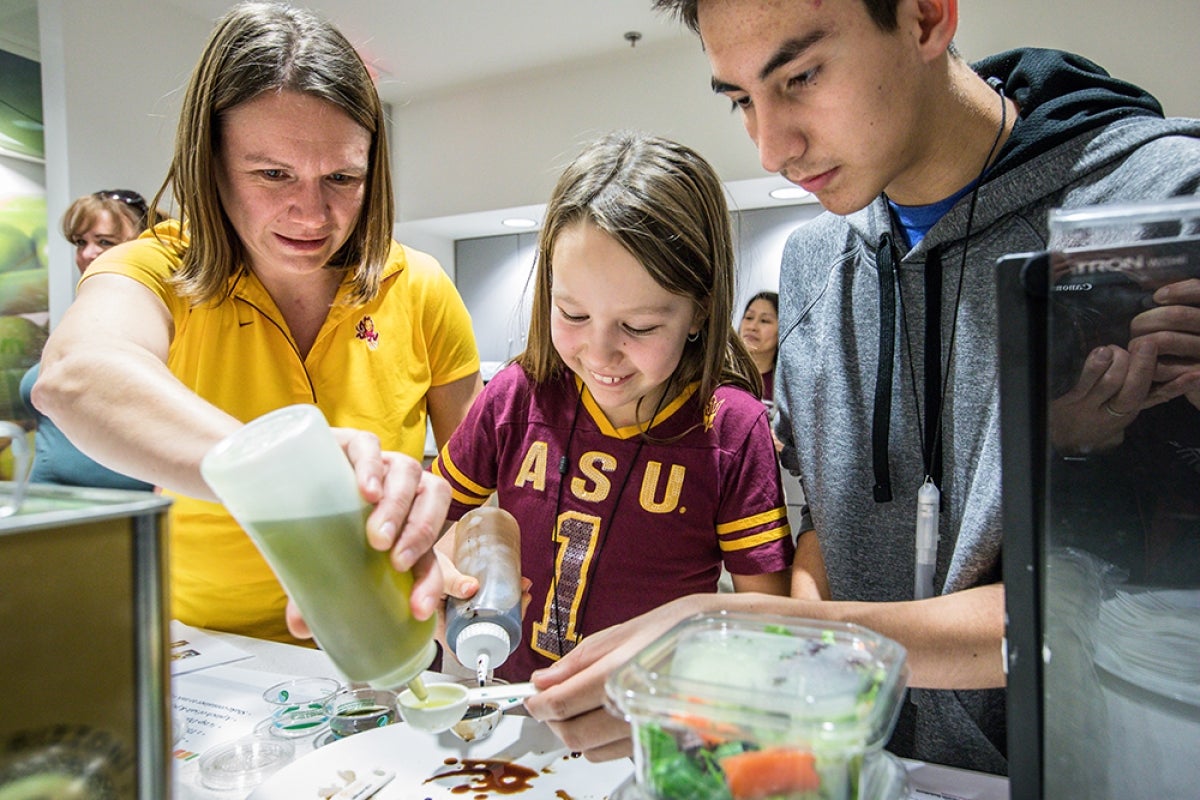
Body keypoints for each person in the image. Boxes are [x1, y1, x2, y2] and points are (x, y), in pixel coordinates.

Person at [522, 0, 1200, 775]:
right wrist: (767, 684)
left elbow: (1129, 601)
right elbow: (827, 531)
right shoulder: (816, 262)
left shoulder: (1157, 205)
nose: (772, 146)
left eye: (802, 75)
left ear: (924, 17)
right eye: (742, 99)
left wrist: (744, 624)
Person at [31, 1, 481, 644]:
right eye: (272, 174)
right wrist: (290, 473)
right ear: (210, 162)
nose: (311, 213)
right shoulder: (158, 267)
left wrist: (445, 561)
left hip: (383, 635)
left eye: (342, 177)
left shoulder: (422, 286)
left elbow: (474, 481)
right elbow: (76, 376)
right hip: (211, 648)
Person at [433, 130, 794, 682]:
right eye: (573, 315)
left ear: (699, 312)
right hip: (520, 715)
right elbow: (430, 528)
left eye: (640, 326)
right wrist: (434, 571)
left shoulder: (731, 430)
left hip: (653, 727)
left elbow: (768, 628)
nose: (599, 354)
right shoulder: (516, 395)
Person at [19, 190, 160, 490]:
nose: (87, 254)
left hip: (123, 515)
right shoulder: (79, 316)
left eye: (105, 242)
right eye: (81, 242)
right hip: (49, 501)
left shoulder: (164, 320)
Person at [738, 290, 778, 402]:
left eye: (764, 321)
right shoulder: (720, 372)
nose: (752, 327)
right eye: (749, 317)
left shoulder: (786, 386)